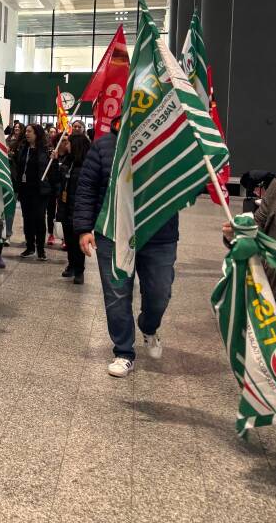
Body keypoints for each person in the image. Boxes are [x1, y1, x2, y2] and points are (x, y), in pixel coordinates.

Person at [75, 116, 178, 378]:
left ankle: (149, 325)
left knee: (159, 292)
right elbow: (86, 188)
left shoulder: (167, 143)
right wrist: (84, 229)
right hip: (113, 232)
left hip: (159, 233)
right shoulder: (103, 146)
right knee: (117, 295)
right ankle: (123, 351)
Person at [14, 123, 53, 261]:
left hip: (40, 191)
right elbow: (18, 167)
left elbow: (52, 170)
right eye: (26, 131)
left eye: (29, 131)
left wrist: (54, 159)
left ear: (37, 133)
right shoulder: (23, 148)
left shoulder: (46, 150)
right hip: (25, 190)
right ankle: (30, 246)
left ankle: (41, 249)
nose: (26, 133)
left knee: (39, 219)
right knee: (28, 219)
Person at [57, 134, 90, 284]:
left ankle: (79, 270)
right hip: (65, 206)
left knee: (79, 242)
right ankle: (71, 265)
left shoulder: (85, 165)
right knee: (69, 240)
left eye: (69, 143)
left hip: (79, 210)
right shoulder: (68, 161)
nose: (66, 145)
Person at [45, 126, 61, 247]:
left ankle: (63, 236)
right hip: (51, 186)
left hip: (62, 187)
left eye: (54, 132)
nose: (52, 134)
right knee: (50, 212)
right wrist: (53, 159)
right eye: (51, 132)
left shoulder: (65, 152)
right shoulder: (49, 150)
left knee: (61, 212)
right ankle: (51, 233)